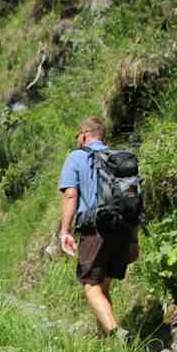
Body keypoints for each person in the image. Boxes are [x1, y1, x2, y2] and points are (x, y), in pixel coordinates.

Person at [58, 116, 139, 338]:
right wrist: (133, 239)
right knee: (103, 287)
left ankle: (116, 332)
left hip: (96, 230)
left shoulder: (76, 157)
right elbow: (133, 202)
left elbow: (71, 195)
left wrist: (64, 231)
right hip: (123, 229)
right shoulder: (119, 159)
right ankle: (105, 342)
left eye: (77, 137)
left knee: (91, 287)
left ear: (84, 135)